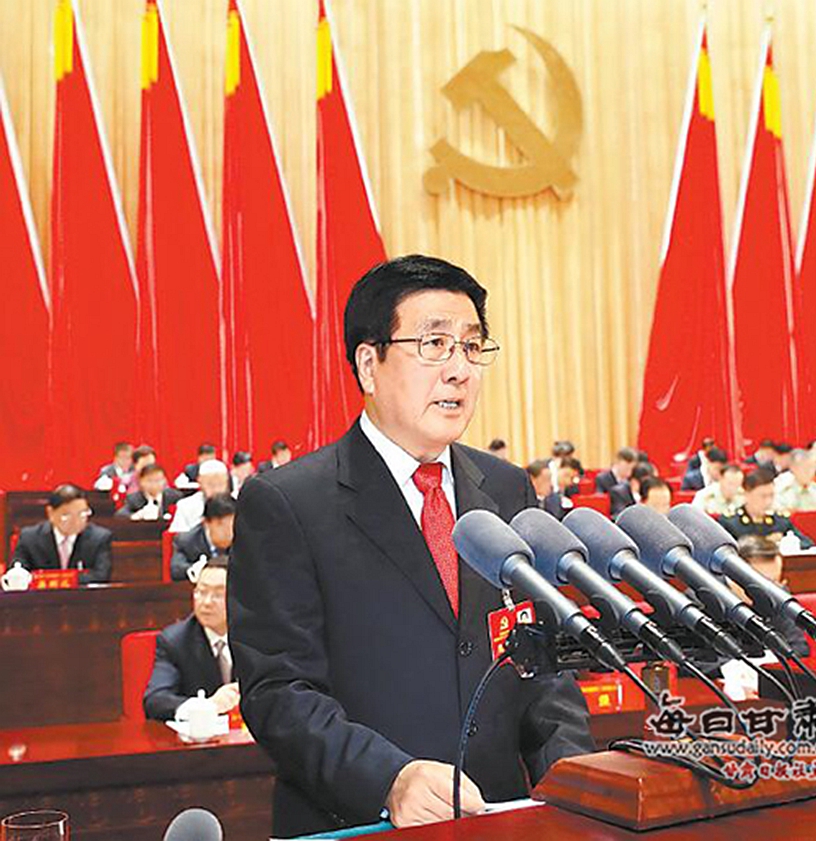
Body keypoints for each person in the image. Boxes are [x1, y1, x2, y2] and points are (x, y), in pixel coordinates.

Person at [229, 255, 593, 837]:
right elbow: (279, 692)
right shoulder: (288, 502)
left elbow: (544, 668)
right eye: (434, 344)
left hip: (498, 821)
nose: (459, 370)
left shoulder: (505, 489)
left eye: (471, 346)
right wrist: (388, 780)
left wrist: (573, 782)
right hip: (361, 822)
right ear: (368, 365)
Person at [143, 559, 240, 722]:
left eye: (218, 594)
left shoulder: (259, 637)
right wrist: (208, 706)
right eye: (201, 592)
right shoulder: (175, 641)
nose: (207, 602)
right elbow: (155, 699)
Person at [11, 484, 112, 584]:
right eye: (67, 515)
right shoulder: (29, 538)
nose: (76, 521)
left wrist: (60, 580)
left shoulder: (99, 538)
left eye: (82, 514)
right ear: (51, 513)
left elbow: (101, 576)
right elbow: (18, 573)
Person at [719, 470, 813, 549]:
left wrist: (786, 542)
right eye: (763, 496)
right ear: (746, 494)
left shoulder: (780, 521)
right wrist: (767, 542)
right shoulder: (730, 522)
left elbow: (807, 543)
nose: (768, 502)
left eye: (771, 495)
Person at [171, 494, 236, 581]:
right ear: (206, 523)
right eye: (220, 524)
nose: (228, 530)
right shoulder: (186, 541)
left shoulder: (243, 540)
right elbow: (176, 569)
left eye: (232, 524)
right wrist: (199, 569)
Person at [169, 459, 230, 533]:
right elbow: (178, 536)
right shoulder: (185, 506)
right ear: (200, 482)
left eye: (220, 484)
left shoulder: (237, 504)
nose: (216, 489)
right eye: (210, 484)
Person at [116, 464, 182, 520]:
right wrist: (137, 515)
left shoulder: (174, 496)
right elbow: (120, 514)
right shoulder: (134, 499)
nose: (154, 484)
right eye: (149, 480)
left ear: (164, 481)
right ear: (141, 482)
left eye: (158, 480)